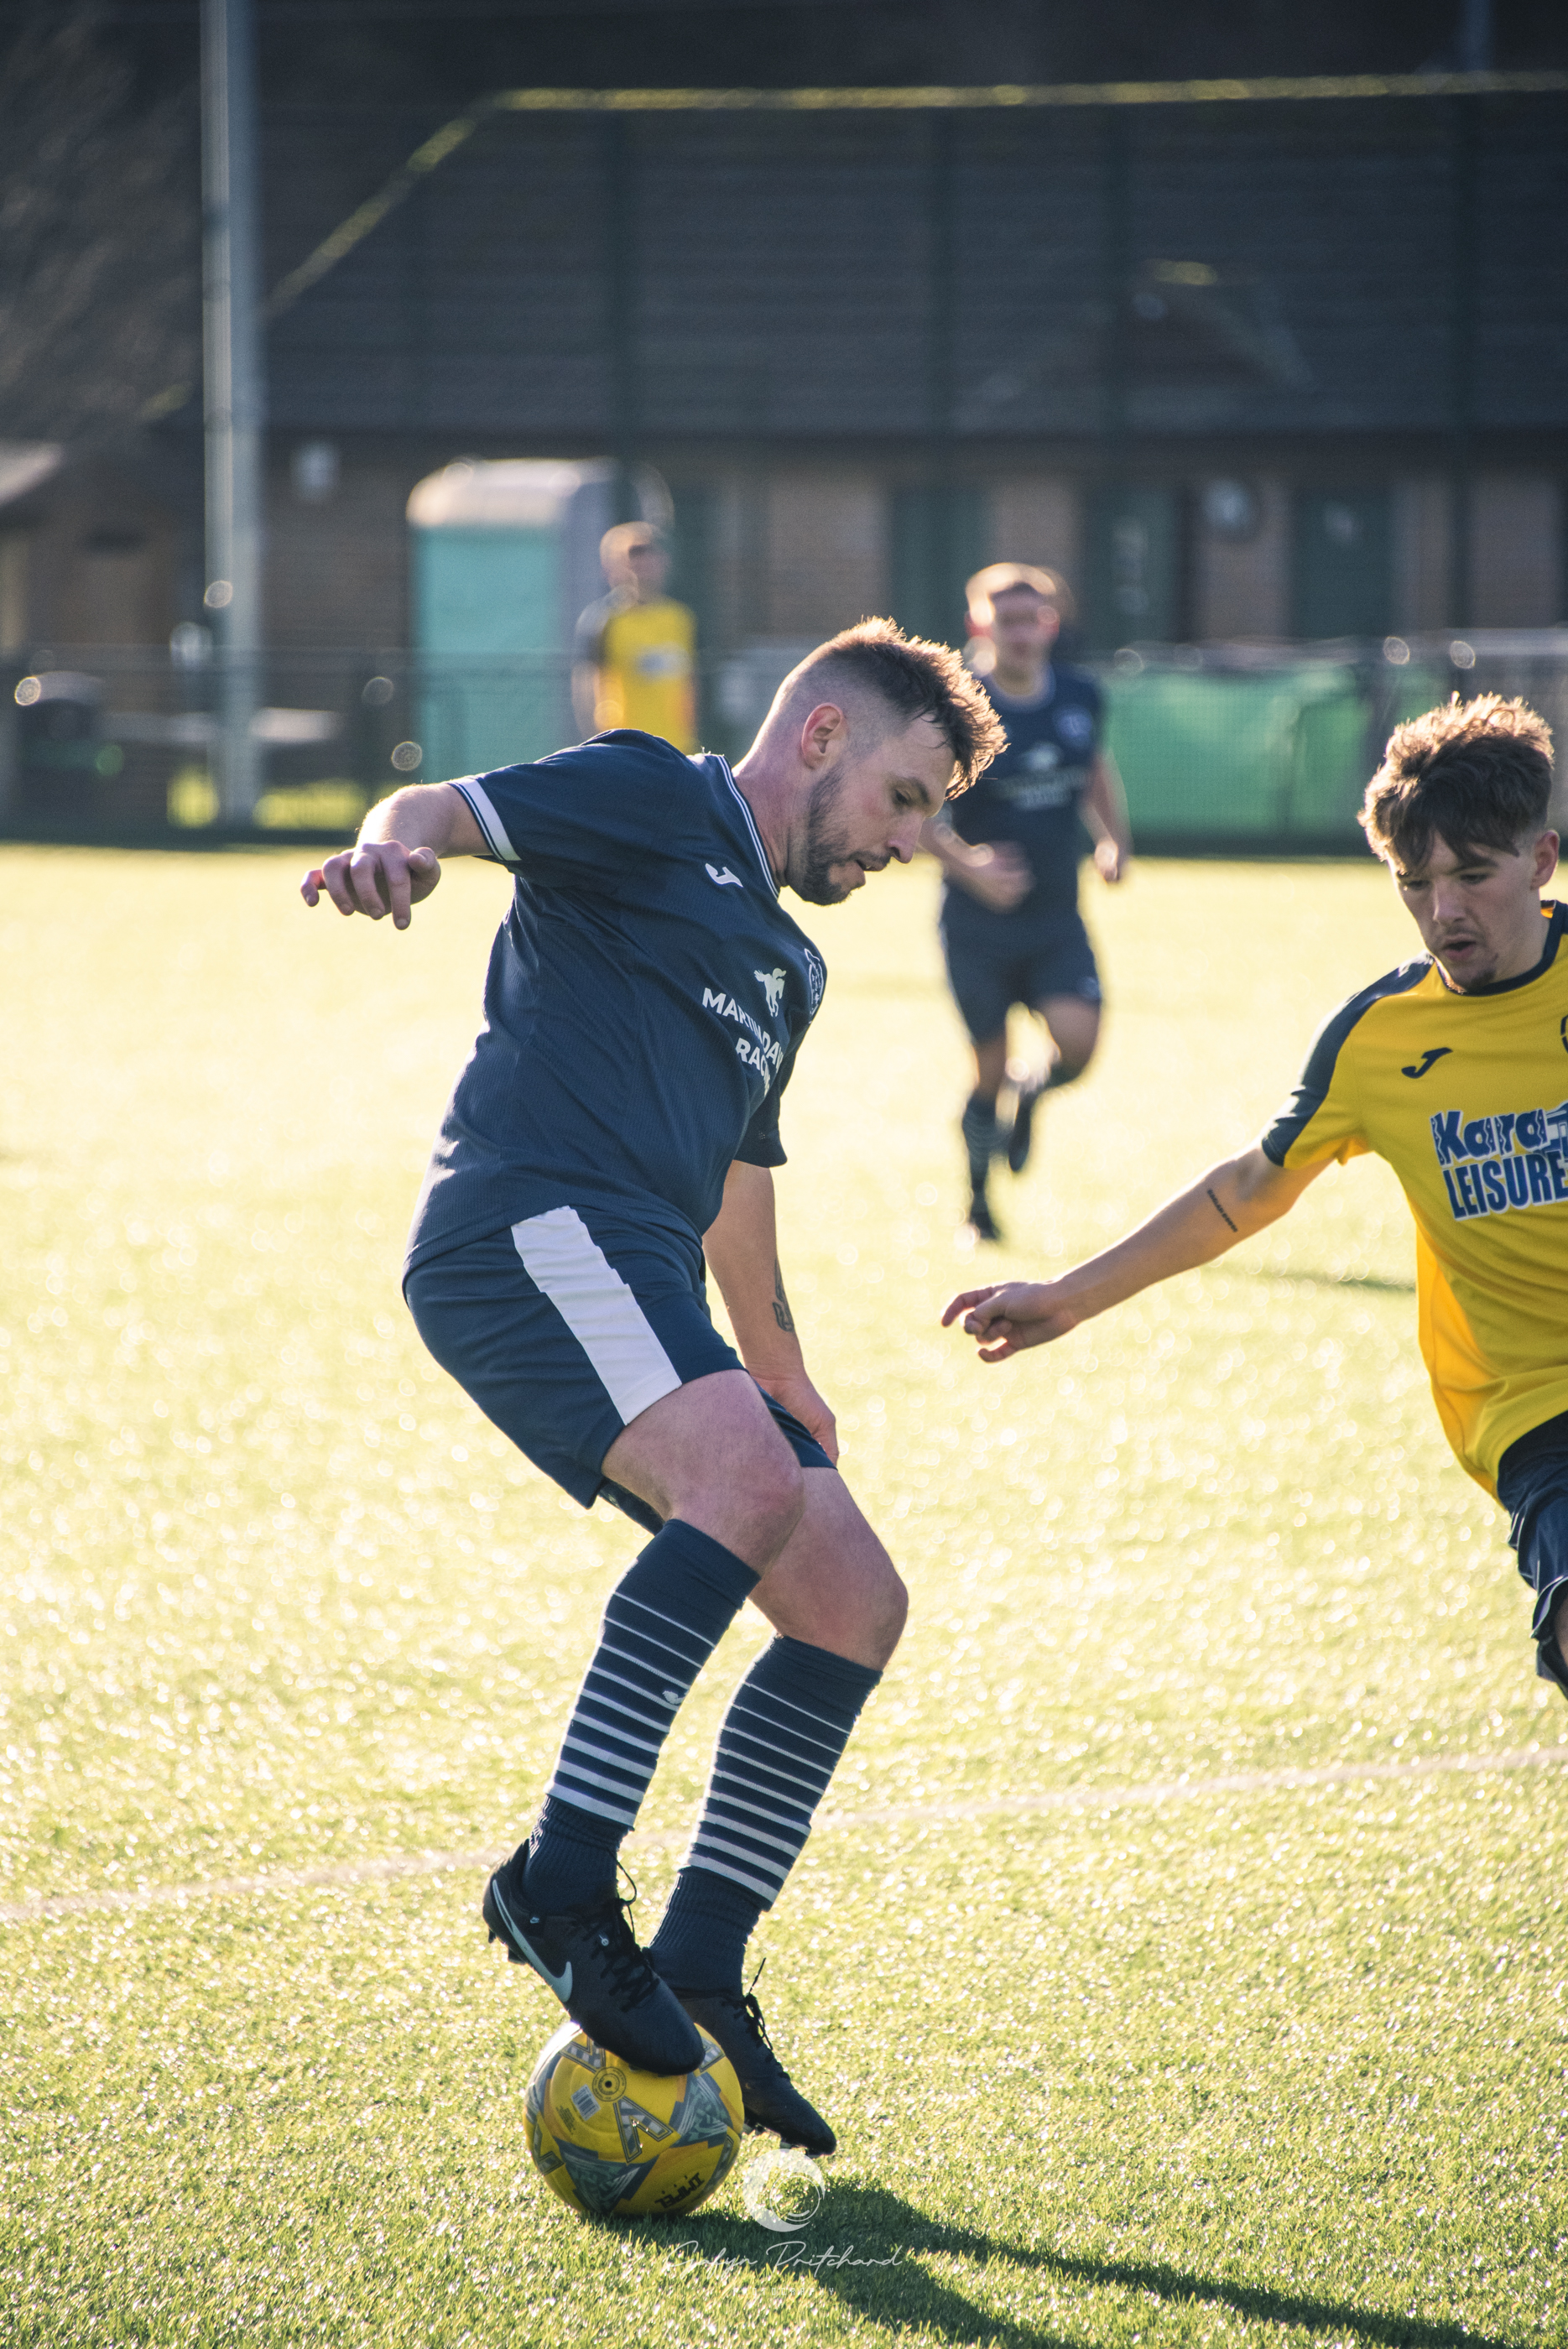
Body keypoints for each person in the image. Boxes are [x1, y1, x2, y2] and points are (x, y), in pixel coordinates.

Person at [302, 620, 1004, 2154]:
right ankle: (557, 1881)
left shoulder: (793, 962)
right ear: (819, 736)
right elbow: (446, 811)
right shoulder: (652, 795)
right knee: (739, 1484)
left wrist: (783, 1372)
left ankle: (699, 1968)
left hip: (641, 1273)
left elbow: (738, 1176)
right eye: (903, 799)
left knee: (851, 1600)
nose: (908, 842)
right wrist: (388, 845)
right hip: (524, 1224)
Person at [945, 694, 1568, 1701]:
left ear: (1540, 861)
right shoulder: (1377, 1039)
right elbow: (1245, 1191)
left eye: (1472, 875)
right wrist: (1070, 1296)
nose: (1443, 911)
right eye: (1414, 883)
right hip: (1535, 1411)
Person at [922, 562, 1132, 1241]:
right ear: (978, 624)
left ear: (1051, 623)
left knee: (1078, 1044)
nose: (1021, 632)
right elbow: (910, 809)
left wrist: (1112, 841)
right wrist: (970, 866)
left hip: (1054, 918)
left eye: (1033, 618)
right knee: (986, 1069)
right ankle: (978, 1206)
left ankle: (1033, 1091)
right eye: (1005, 619)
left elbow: (1091, 767)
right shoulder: (956, 707)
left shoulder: (1078, 694)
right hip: (976, 925)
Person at [572, 522, 698, 750]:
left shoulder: (680, 618)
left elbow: (689, 684)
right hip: (625, 747)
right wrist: (599, 744)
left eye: (650, 555)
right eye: (634, 556)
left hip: (675, 747)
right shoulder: (605, 620)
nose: (643, 565)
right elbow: (588, 686)